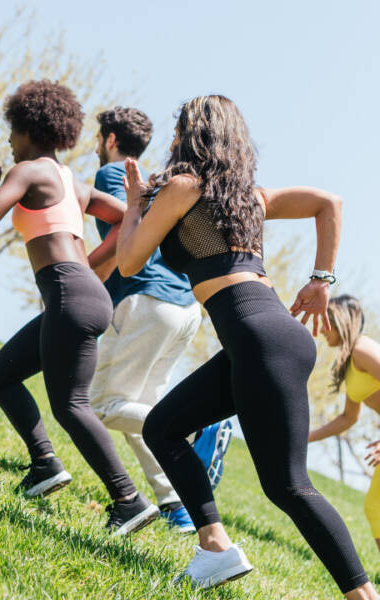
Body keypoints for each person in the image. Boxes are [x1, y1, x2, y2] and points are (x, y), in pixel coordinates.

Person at [116, 95, 376, 598]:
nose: (171, 140)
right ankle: (215, 549)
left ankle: (363, 595)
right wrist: (320, 278)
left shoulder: (184, 185)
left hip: (260, 339)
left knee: (288, 487)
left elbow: (129, 262)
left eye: (178, 130)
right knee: (163, 427)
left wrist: (132, 206)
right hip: (263, 337)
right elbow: (330, 202)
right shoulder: (250, 197)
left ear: (192, 134)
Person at [0, 80, 159, 536]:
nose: (9, 143)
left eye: (11, 133)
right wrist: (92, 265)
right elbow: (126, 217)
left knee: (72, 406)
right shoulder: (70, 182)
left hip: (69, 295)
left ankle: (128, 500)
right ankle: (44, 465)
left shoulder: (29, 171)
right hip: (83, 295)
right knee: (2, 375)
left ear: (29, 129)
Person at [88, 107, 233, 534]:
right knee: (141, 408)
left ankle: (196, 432)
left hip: (147, 302)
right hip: (184, 308)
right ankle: (177, 504)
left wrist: (81, 269)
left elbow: (121, 235)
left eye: (99, 138)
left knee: (100, 406)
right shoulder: (155, 182)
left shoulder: (114, 175)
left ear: (109, 140)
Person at [309, 295, 380, 550]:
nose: (323, 329)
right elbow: (349, 418)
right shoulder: (351, 359)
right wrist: (305, 438)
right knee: (376, 508)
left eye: (326, 319)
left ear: (342, 319)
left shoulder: (363, 349)